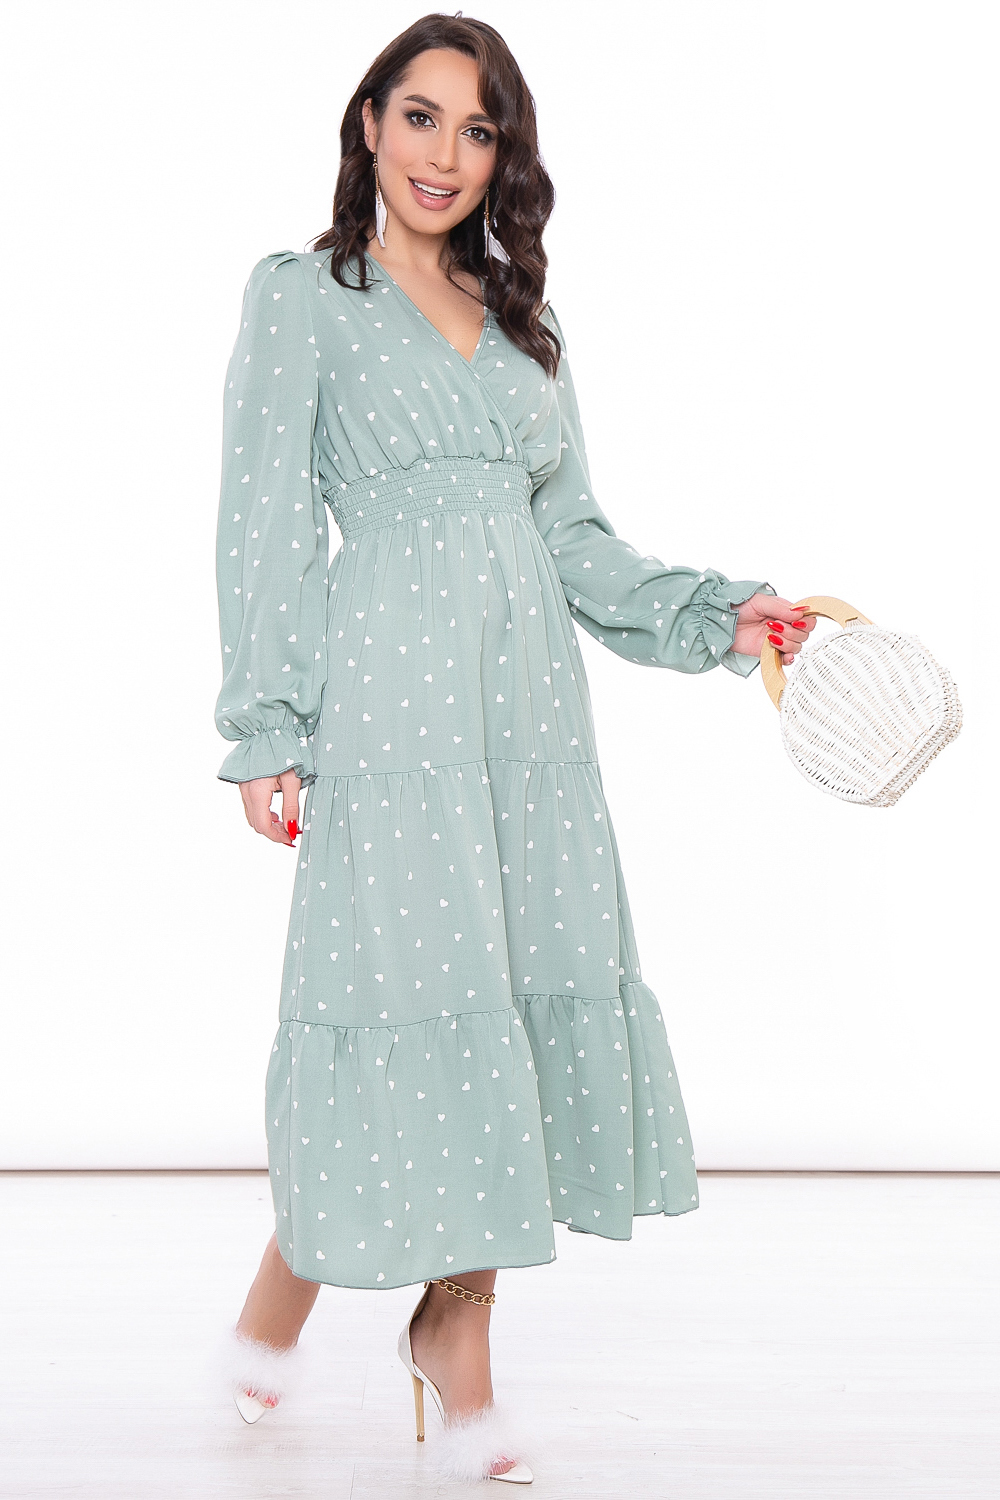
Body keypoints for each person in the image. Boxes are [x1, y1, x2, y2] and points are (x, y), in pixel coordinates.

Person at [214, 13, 814, 1484]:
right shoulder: (302, 297)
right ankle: (288, 1313)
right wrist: (268, 726)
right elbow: (264, 522)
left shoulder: (522, 322)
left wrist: (718, 616)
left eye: (477, 131)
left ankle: (452, 1325)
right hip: (390, 706)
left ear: (504, 158)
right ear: (369, 124)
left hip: (531, 715)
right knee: (401, 997)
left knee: (505, 1007)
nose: (445, 155)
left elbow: (575, 539)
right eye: (420, 117)